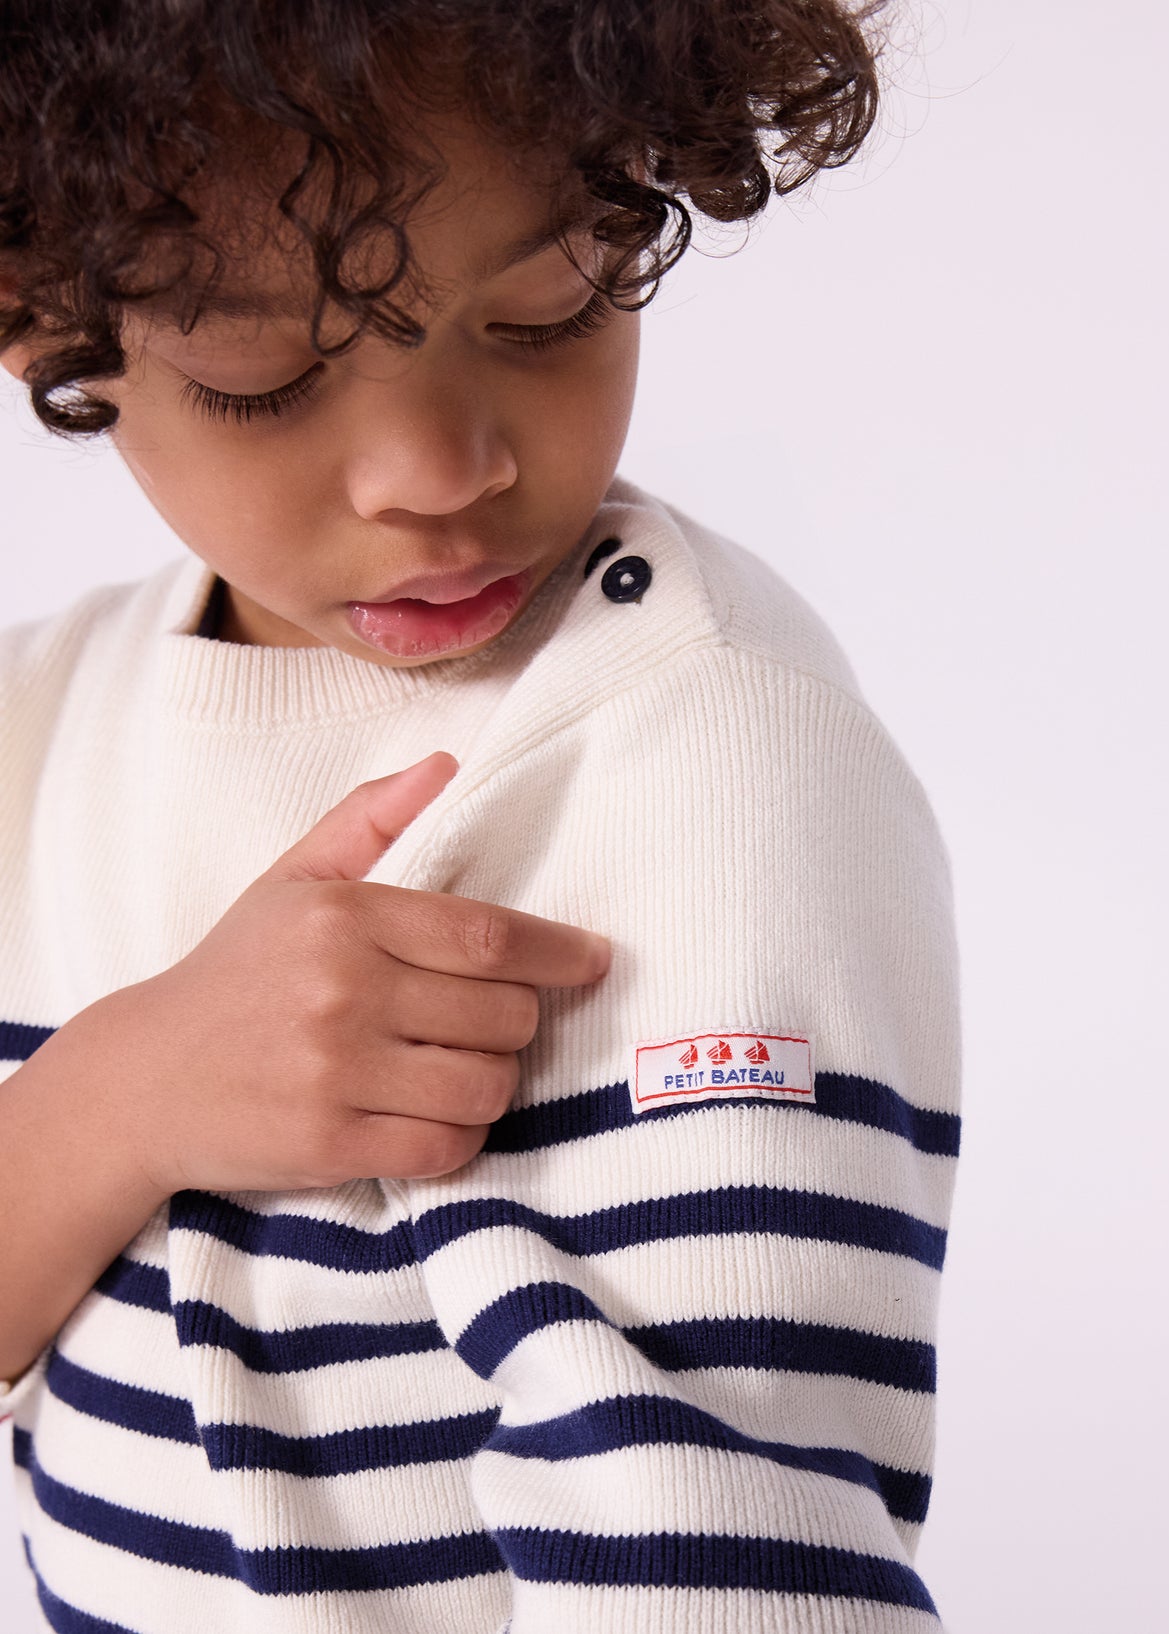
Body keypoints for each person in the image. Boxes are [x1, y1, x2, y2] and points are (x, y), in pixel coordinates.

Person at [0, 2, 962, 1629]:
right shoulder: (36, 726)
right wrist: (116, 1098)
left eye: (548, 307)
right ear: (38, 318)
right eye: (265, 378)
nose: (434, 471)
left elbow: (721, 1551)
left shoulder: (706, 748)